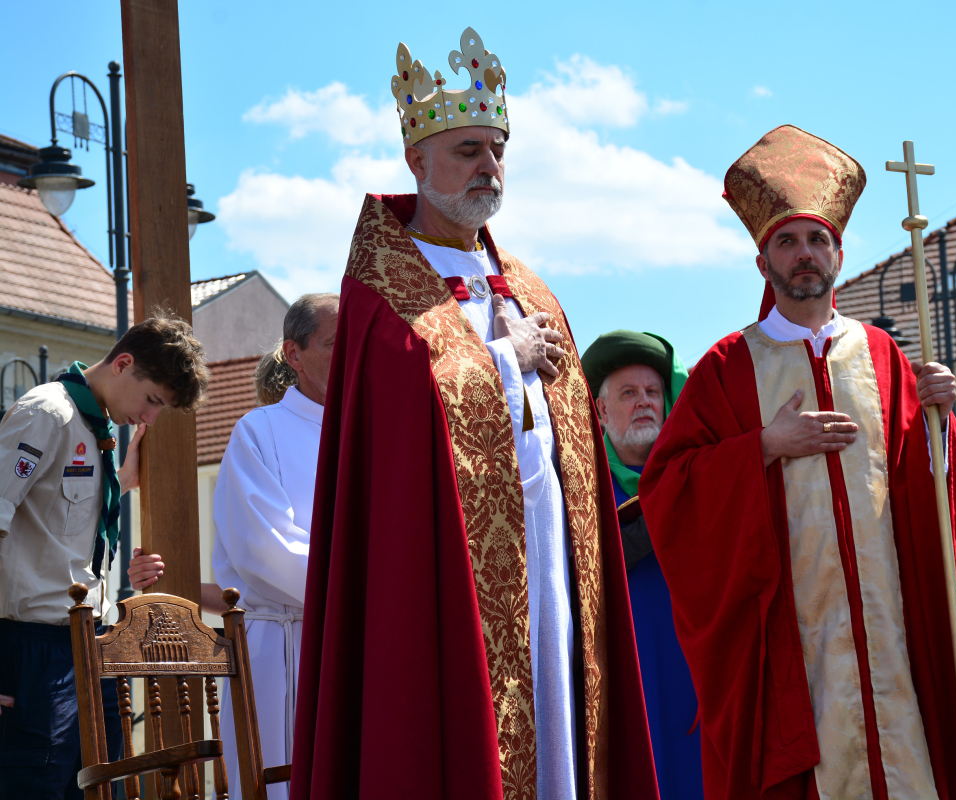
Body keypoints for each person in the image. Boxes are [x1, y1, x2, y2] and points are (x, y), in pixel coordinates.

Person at [289, 27, 657, 800]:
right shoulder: (382, 286)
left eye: (497, 150)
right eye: (467, 151)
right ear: (416, 162)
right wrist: (499, 360)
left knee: (559, 704)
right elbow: (401, 416)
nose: (488, 165)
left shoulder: (526, 282)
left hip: (548, 545)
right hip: (443, 562)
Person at [639, 125, 956, 800]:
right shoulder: (727, 367)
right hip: (795, 650)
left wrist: (939, 421)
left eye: (816, 239)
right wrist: (762, 448)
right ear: (762, 263)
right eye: (787, 242)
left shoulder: (883, 356)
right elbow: (667, 489)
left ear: (838, 253)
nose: (803, 254)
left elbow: (926, 495)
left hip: (891, 640)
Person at [128, 295, 337, 800]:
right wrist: (369, 589)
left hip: (357, 636)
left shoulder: (376, 429)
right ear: (295, 353)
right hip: (283, 646)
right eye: (336, 343)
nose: (353, 354)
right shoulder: (259, 432)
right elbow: (265, 550)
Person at [0, 314, 208, 799]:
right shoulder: (47, 413)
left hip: (93, 644)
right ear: (123, 363)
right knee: (38, 787)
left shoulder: (98, 431)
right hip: (34, 647)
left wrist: (123, 477)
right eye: (152, 400)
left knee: (103, 788)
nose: (150, 417)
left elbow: (63, 515)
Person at [581, 330, 702, 799]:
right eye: (628, 393)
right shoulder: (580, 486)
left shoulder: (699, 474)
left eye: (653, 392)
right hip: (620, 676)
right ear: (601, 410)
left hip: (693, 680)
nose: (645, 403)